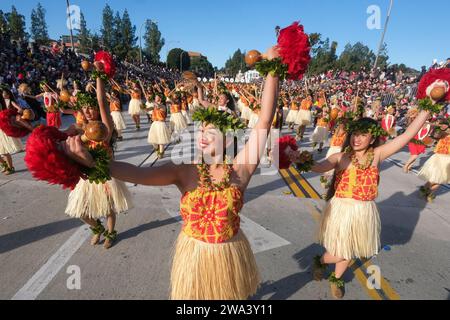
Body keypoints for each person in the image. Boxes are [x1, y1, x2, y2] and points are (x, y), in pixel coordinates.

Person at [61, 46, 281, 300]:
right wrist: (92, 164)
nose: (202, 135)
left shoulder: (239, 171)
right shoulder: (184, 172)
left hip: (229, 256)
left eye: (210, 131)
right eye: (201, 130)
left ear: (228, 138)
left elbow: (264, 122)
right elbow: (136, 174)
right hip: (194, 257)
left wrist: (272, 70)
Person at [302, 109, 430, 299]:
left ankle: (336, 278)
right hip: (341, 210)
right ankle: (322, 260)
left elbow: (408, 135)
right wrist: (300, 160)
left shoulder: (377, 154)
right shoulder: (341, 157)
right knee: (340, 251)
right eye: (355, 134)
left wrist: (429, 107)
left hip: (363, 211)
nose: (357, 139)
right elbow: (319, 167)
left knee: (350, 249)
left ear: (372, 139)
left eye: (363, 135)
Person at [63, 70, 132, 250]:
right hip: (86, 176)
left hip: (105, 175)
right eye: (84, 108)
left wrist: (99, 77)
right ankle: (97, 227)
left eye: (91, 107)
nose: (87, 110)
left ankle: (110, 233)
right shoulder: (79, 128)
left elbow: (102, 101)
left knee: (109, 209)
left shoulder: (104, 128)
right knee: (82, 211)